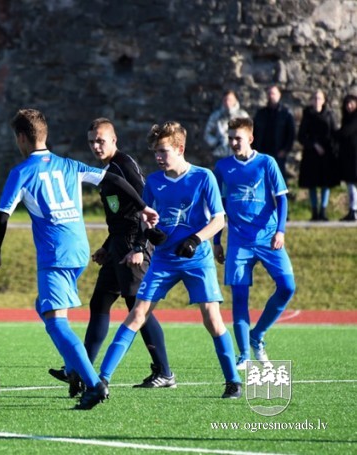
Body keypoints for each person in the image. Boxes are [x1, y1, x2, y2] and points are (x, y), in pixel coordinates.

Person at [0, 109, 158, 410]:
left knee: (56, 322)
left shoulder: (21, 172)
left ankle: (92, 384)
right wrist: (143, 206)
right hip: (79, 251)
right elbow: (114, 179)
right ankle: (75, 366)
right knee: (43, 305)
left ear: (21, 138)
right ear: (45, 134)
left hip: (55, 253)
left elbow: (2, 216)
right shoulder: (70, 165)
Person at [86, 121, 241, 410]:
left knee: (212, 319)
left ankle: (233, 381)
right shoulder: (155, 182)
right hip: (163, 259)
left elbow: (219, 219)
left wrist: (195, 239)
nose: (158, 156)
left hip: (197, 260)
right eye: (156, 151)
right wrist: (149, 234)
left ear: (180, 149)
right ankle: (102, 380)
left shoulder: (203, 177)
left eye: (163, 151)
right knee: (137, 314)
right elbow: (147, 218)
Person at [48, 118, 174, 394]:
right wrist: (107, 245)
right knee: (99, 303)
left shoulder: (123, 165)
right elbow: (120, 216)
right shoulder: (105, 171)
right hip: (118, 245)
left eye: (101, 140)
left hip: (132, 246)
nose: (96, 146)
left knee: (137, 308)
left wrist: (139, 247)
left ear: (114, 140)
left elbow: (146, 208)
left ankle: (164, 371)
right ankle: (79, 370)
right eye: (91, 141)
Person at [213, 117, 296, 371]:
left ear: (250, 138)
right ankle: (244, 355)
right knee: (239, 298)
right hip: (238, 243)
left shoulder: (267, 163)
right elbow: (219, 207)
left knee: (287, 287)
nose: (233, 143)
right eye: (230, 138)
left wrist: (280, 231)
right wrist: (217, 240)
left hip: (268, 237)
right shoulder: (222, 167)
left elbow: (282, 199)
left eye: (238, 138)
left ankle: (257, 334)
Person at [297, 89, 340, 221]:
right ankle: (314, 212)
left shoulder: (329, 115)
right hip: (311, 154)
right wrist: (313, 145)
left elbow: (334, 133)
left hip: (326, 154)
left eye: (319, 98)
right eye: (314, 98)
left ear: (324, 100)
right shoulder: (307, 115)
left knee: (326, 183)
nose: (317, 101)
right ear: (311, 100)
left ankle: (323, 211)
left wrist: (333, 149)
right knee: (312, 183)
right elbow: (301, 136)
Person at [252, 85, 296, 184]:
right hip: (262, 152)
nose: (271, 96)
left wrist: (285, 150)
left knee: (278, 180)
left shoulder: (286, 113)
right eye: (269, 94)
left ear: (279, 95)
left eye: (273, 93)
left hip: (278, 152)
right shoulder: (260, 113)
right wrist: (254, 149)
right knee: (261, 179)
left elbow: (291, 134)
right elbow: (254, 131)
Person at [204, 90, 249, 163]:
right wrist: (216, 142)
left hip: (239, 155)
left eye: (230, 100)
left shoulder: (243, 116)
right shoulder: (216, 116)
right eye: (225, 100)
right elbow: (207, 134)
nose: (227, 102)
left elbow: (249, 134)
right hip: (220, 154)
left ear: (235, 101)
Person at [336, 94, 357, 221]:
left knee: (353, 183)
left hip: (355, 156)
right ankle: (352, 209)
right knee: (350, 184)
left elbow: (346, 132)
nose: (349, 106)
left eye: (351, 103)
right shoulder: (346, 118)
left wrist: (335, 133)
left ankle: (354, 210)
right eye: (347, 104)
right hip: (348, 156)